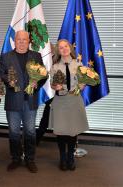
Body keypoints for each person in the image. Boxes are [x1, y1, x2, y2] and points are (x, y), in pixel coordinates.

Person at [0, 30, 46, 173]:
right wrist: (8, 81)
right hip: (13, 101)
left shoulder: (36, 56)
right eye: (19, 39)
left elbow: (43, 75)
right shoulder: (6, 57)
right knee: (13, 132)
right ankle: (15, 158)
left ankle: (30, 159)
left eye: (24, 39)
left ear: (29, 41)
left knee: (30, 132)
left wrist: (38, 84)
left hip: (30, 101)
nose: (22, 42)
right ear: (15, 41)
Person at [49, 39, 89, 171]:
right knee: (61, 131)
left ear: (70, 48)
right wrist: (56, 86)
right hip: (60, 101)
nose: (64, 49)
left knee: (72, 131)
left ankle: (71, 157)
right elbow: (52, 84)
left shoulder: (78, 64)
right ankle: (62, 158)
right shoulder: (55, 66)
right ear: (58, 51)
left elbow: (83, 80)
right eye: (61, 47)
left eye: (66, 46)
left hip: (74, 100)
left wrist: (82, 85)